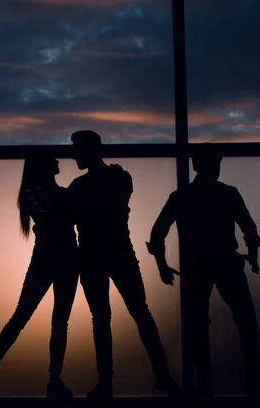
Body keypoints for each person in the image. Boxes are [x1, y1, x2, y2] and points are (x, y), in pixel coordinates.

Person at [67, 130, 181, 399]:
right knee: (140, 315)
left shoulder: (80, 187)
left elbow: (74, 215)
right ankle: (161, 377)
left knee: (105, 320)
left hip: (96, 257)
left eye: (77, 149)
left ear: (90, 150)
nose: (74, 155)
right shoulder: (118, 177)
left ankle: (107, 383)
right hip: (119, 254)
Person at [149, 142, 260, 398]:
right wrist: (252, 253)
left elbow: (158, 234)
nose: (216, 168)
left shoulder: (181, 197)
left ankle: (205, 388)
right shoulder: (228, 194)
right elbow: (249, 228)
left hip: (197, 267)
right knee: (245, 323)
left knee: (199, 328)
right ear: (201, 165)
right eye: (215, 163)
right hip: (225, 263)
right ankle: (253, 387)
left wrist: (162, 266)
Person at [0, 148, 79, 399]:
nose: (57, 160)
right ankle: (51, 380)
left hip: (52, 258)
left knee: (28, 316)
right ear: (42, 166)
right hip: (62, 258)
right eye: (52, 159)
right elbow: (53, 217)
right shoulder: (47, 194)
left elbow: (50, 217)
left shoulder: (39, 194)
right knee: (53, 320)